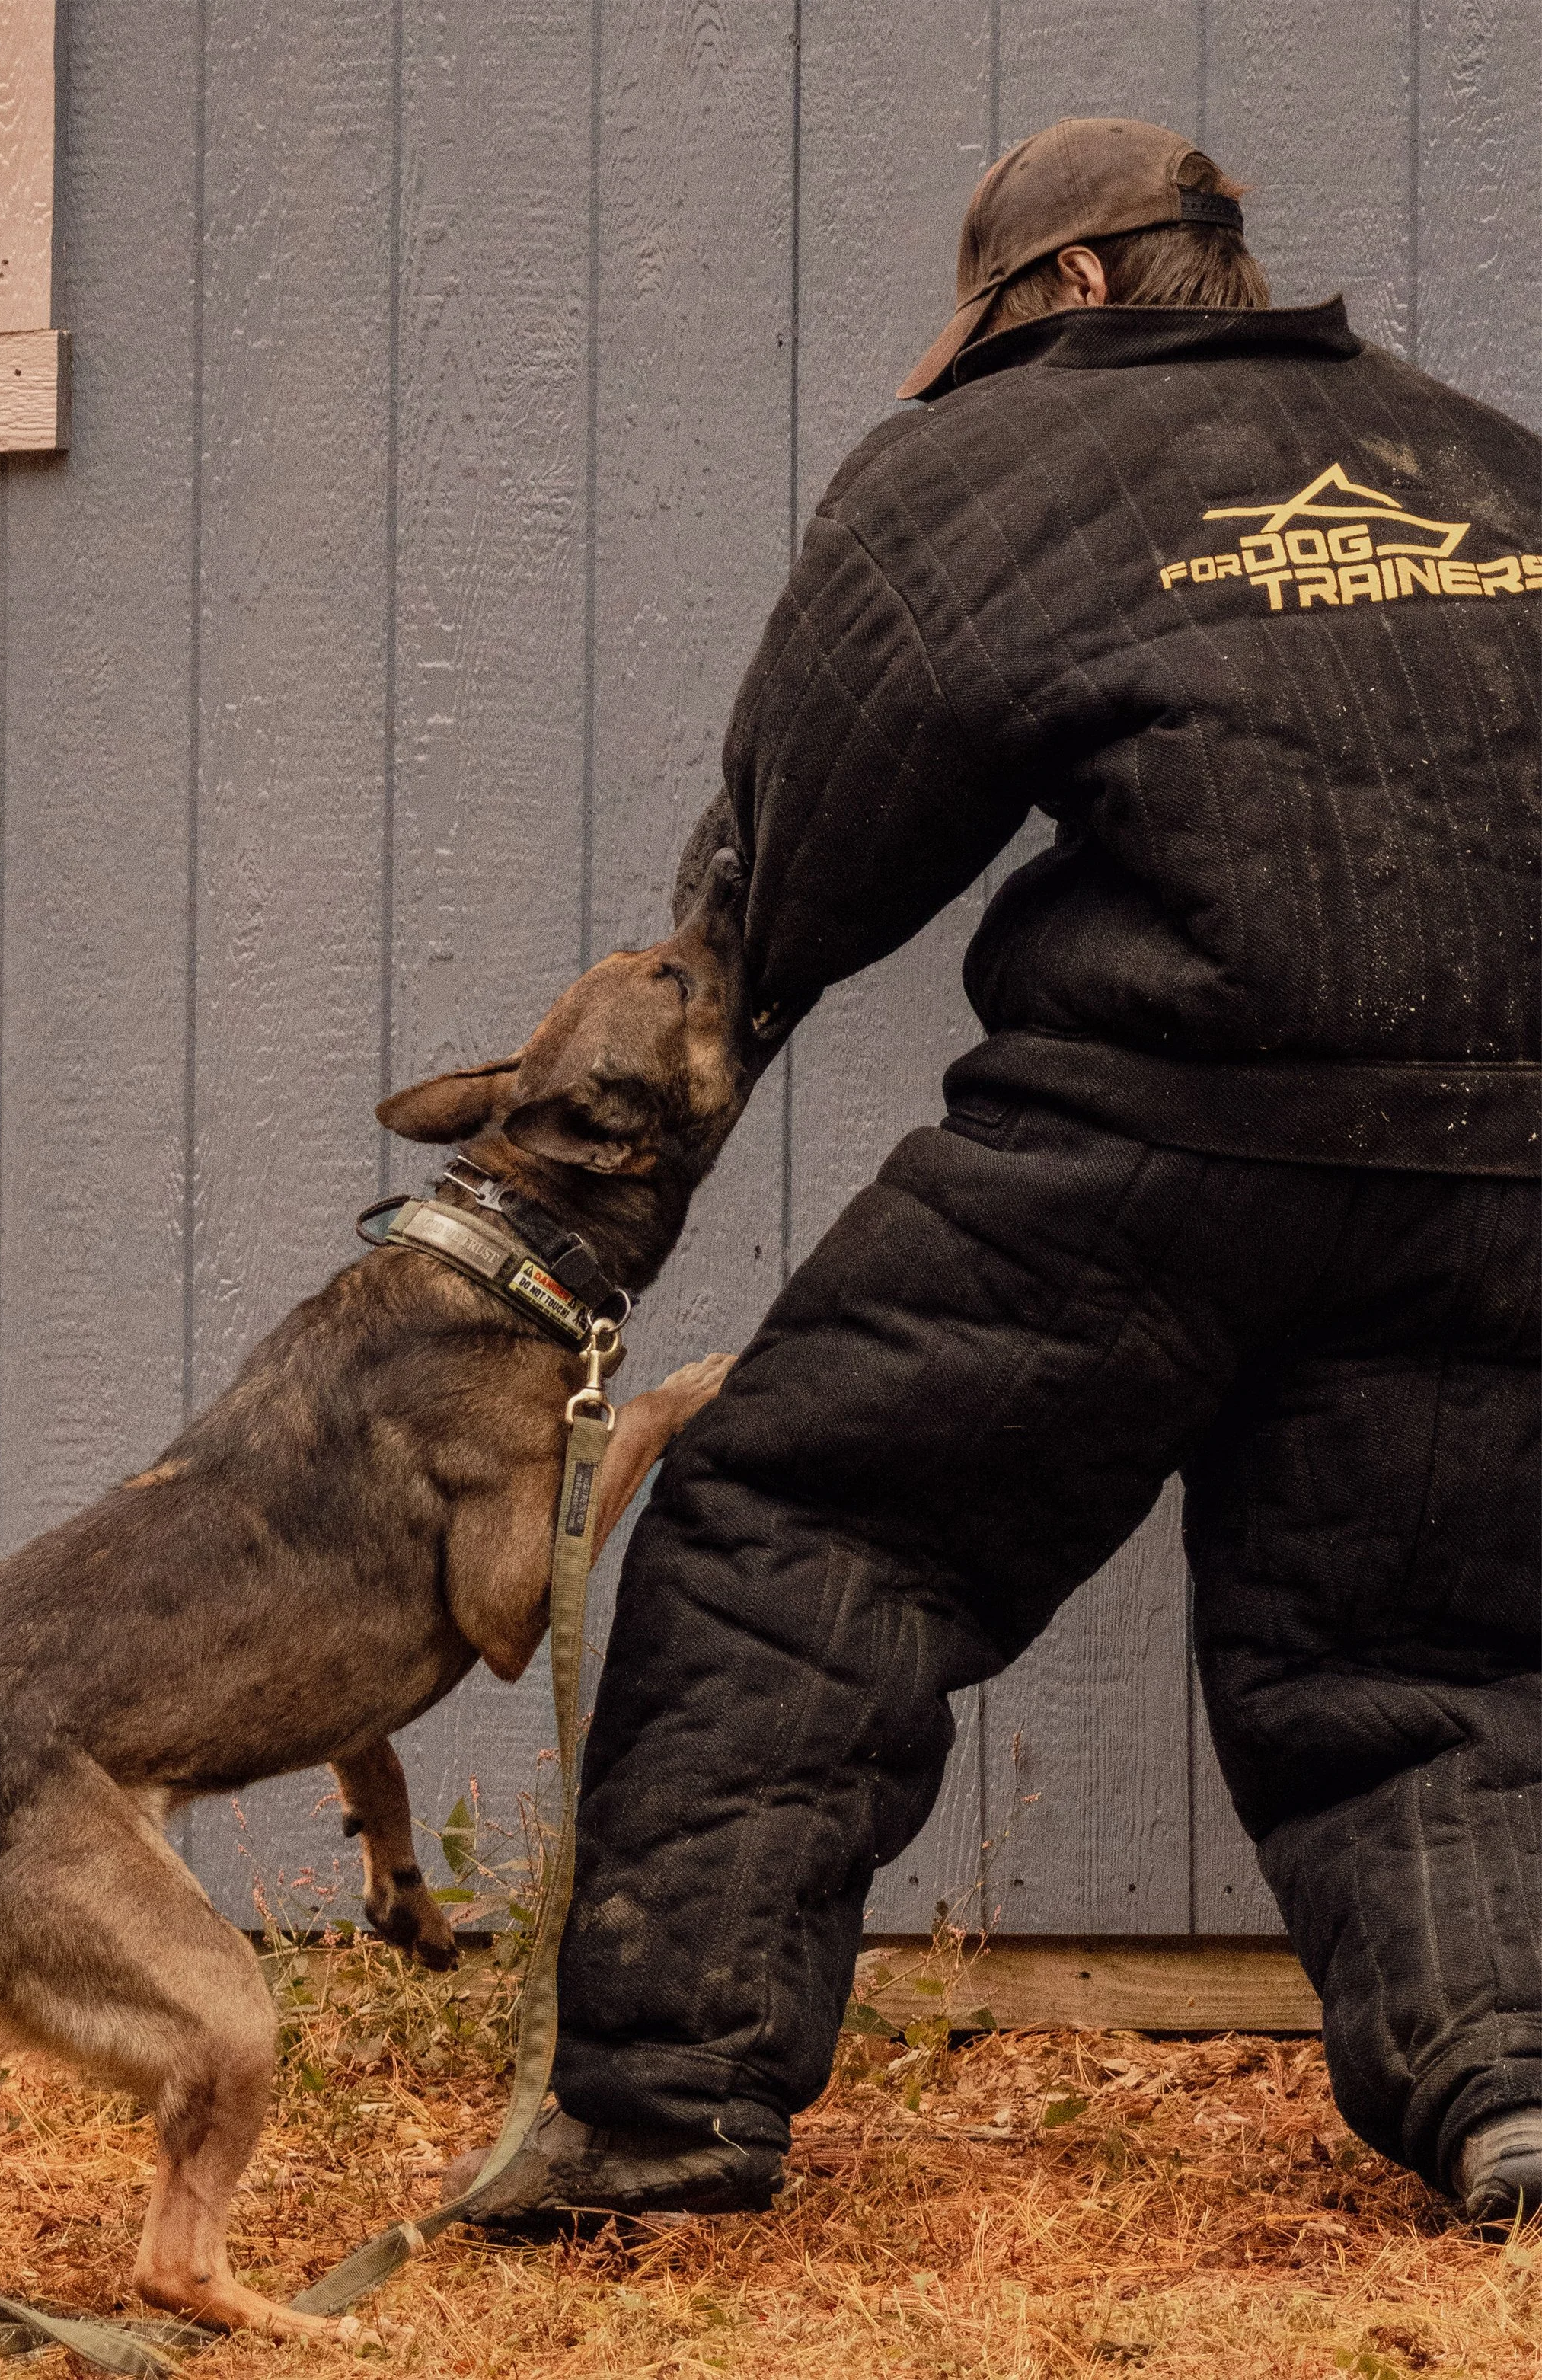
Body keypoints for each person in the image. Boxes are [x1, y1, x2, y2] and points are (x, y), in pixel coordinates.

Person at [460, 117, 1542, 2234]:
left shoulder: (984, 467)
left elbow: (801, 864)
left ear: (1052, 299)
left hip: (1158, 1129)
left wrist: (633, 1120)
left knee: (811, 1521)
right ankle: (1513, 2084)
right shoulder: (1488, 463)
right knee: (1429, 1643)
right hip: (1511, 1163)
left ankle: (664, 2111)